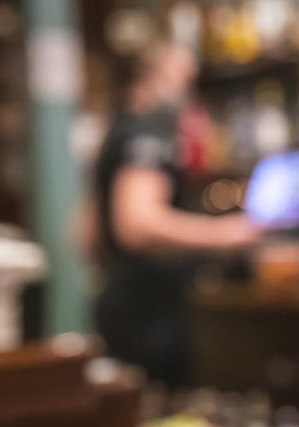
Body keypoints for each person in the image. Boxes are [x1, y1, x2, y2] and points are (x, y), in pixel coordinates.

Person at [94, 38, 260, 391]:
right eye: (184, 79)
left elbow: (83, 230)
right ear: (152, 75)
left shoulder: (119, 128)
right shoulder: (151, 129)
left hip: (122, 304)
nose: (189, 94)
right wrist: (224, 234)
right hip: (150, 314)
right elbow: (136, 224)